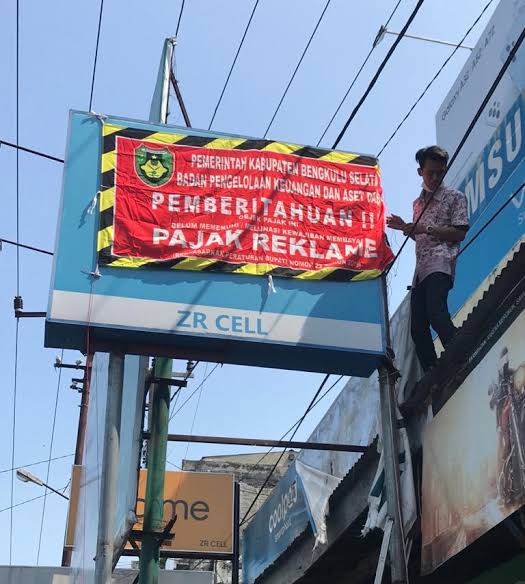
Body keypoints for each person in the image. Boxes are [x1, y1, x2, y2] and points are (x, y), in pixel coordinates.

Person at [387, 146, 469, 372]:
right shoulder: (417, 204)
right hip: (420, 270)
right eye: (430, 172)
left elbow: (460, 232)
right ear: (419, 172)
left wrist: (426, 228)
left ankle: (459, 355)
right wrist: (405, 226)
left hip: (441, 264)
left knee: (436, 312)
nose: (435, 177)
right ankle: (433, 372)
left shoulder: (454, 197)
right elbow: (421, 237)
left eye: (440, 173)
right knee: (417, 328)